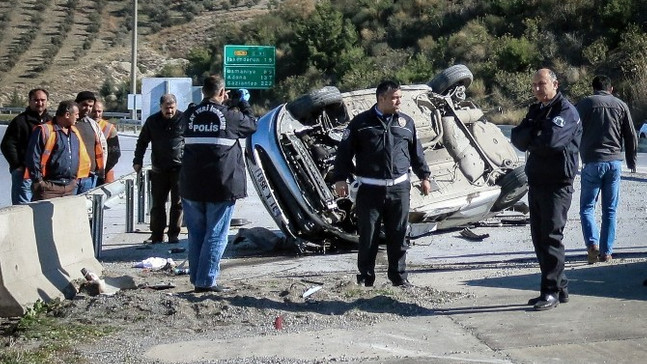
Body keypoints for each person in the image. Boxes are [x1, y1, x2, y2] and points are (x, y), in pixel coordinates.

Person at [333, 80, 432, 288]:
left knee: (399, 233)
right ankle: (365, 279)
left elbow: (417, 153)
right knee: (368, 235)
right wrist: (340, 178)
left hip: (399, 188)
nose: (399, 101)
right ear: (382, 99)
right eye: (395, 97)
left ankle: (399, 278)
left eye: (400, 97)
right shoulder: (360, 123)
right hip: (370, 189)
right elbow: (343, 153)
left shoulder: (406, 123)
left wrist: (424, 176)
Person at [511, 68, 582, 311]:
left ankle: (550, 291)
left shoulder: (566, 111)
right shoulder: (537, 110)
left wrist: (534, 136)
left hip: (557, 185)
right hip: (537, 183)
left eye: (541, 84)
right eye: (534, 85)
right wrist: (535, 134)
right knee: (539, 239)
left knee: (551, 238)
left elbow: (552, 142)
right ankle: (559, 287)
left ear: (555, 84)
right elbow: (518, 139)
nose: (537, 89)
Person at [180, 75, 256, 292]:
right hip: (220, 185)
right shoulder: (229, 116)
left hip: (191, 185)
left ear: (203, 91)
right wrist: (243, 103)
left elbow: (180, 127)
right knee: (216, 234)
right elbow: (251, 125)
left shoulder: (190, 114)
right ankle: (206, 281)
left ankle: (197, 278)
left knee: (196, 234)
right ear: (222, 93)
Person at [577, 75, 637, 264]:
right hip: (614, 163)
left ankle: (592, 244)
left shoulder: (585, 104)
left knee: (587, 208)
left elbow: (571, 130)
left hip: (592, 162)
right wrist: (631, 160)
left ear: (594, 88)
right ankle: (606, 252)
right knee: (610, 210)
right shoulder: (621, 105)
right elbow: (631, 135)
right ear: (611, 89)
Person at [133, 94, 184, 244]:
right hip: (159, 169)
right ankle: (157, 234)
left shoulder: (184, 119)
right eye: (167, 108)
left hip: (179, 169)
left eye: (172, 107)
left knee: (178, 204)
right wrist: (137, 161)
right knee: (157, 204)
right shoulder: (152, 121)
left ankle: (173, 234)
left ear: (176, 105)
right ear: (160, 107)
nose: (170, 111)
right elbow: (142, 142)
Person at [25, 100, 97, 201]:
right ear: (67, 114)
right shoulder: (44, 130)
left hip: (70, 187)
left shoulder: (74, 132)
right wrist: (39, 182)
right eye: (76, 114)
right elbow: (33, 157)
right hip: (49, 188)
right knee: (42, 216)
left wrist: (74, 181)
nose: (78, 117)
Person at [1, 88, 52, 204]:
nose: (40, 103)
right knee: (21, 209)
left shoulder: (51, 122)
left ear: (47, 101)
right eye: (36, 100)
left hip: (44, 175)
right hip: (24, 174)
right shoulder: (20, 121)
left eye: (43, 100)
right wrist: (17, 166)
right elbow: (7, 145)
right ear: (30, 101)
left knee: (41, 208)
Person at [74, 91, 108, 193]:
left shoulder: (93, 125)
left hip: (90, 176)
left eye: (90, 106)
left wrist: (101, 170)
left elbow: (102, 149)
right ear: (77, 104)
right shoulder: (68, 124)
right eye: (84, 105)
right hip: (72, 178)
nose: (87, 108)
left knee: (86, 207)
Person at [91, 100, 121, 185]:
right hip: (88, 173)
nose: (97, 114)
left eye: (99, 111)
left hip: (105, 174)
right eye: (94, 111)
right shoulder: (83, 126)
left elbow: (115, 154)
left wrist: (103, 170)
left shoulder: (109, 128)